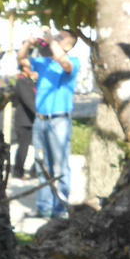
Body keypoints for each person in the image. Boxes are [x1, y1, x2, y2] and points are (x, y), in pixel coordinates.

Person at [17, 30, 80, 219]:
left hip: (59, 120)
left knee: (60, 166)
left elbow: (64, 63)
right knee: (42, 165)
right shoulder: (44, 63)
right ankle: (43, 208)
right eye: (56, 36)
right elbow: (22, 59)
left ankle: (60, 209)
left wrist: (51, 40)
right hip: (41, 120)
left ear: (68, 45)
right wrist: (28, 43)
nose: (55, 39)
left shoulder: (73, 61)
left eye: (61, 38)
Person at [11, 65, 37, 179]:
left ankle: (35, 171)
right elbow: (28, 100)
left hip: (32, 119)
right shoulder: (21, 82)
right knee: (23, 146)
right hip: (23, 119)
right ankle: (18, 170)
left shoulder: (32, 82)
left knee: (38, 146)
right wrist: (40, 113)